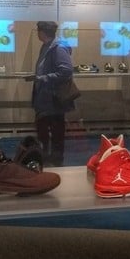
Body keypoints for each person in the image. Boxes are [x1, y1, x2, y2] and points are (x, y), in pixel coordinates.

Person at [25, 21, 75, 166]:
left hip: (53, 98)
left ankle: (56, 160)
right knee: (44, 129)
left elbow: (66, 71)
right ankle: (46, 157)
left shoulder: (58, 48)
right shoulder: (48, 46)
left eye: (38, 31)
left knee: (56, 130)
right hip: (46, 97)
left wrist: (42, 78)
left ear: (42, 32)